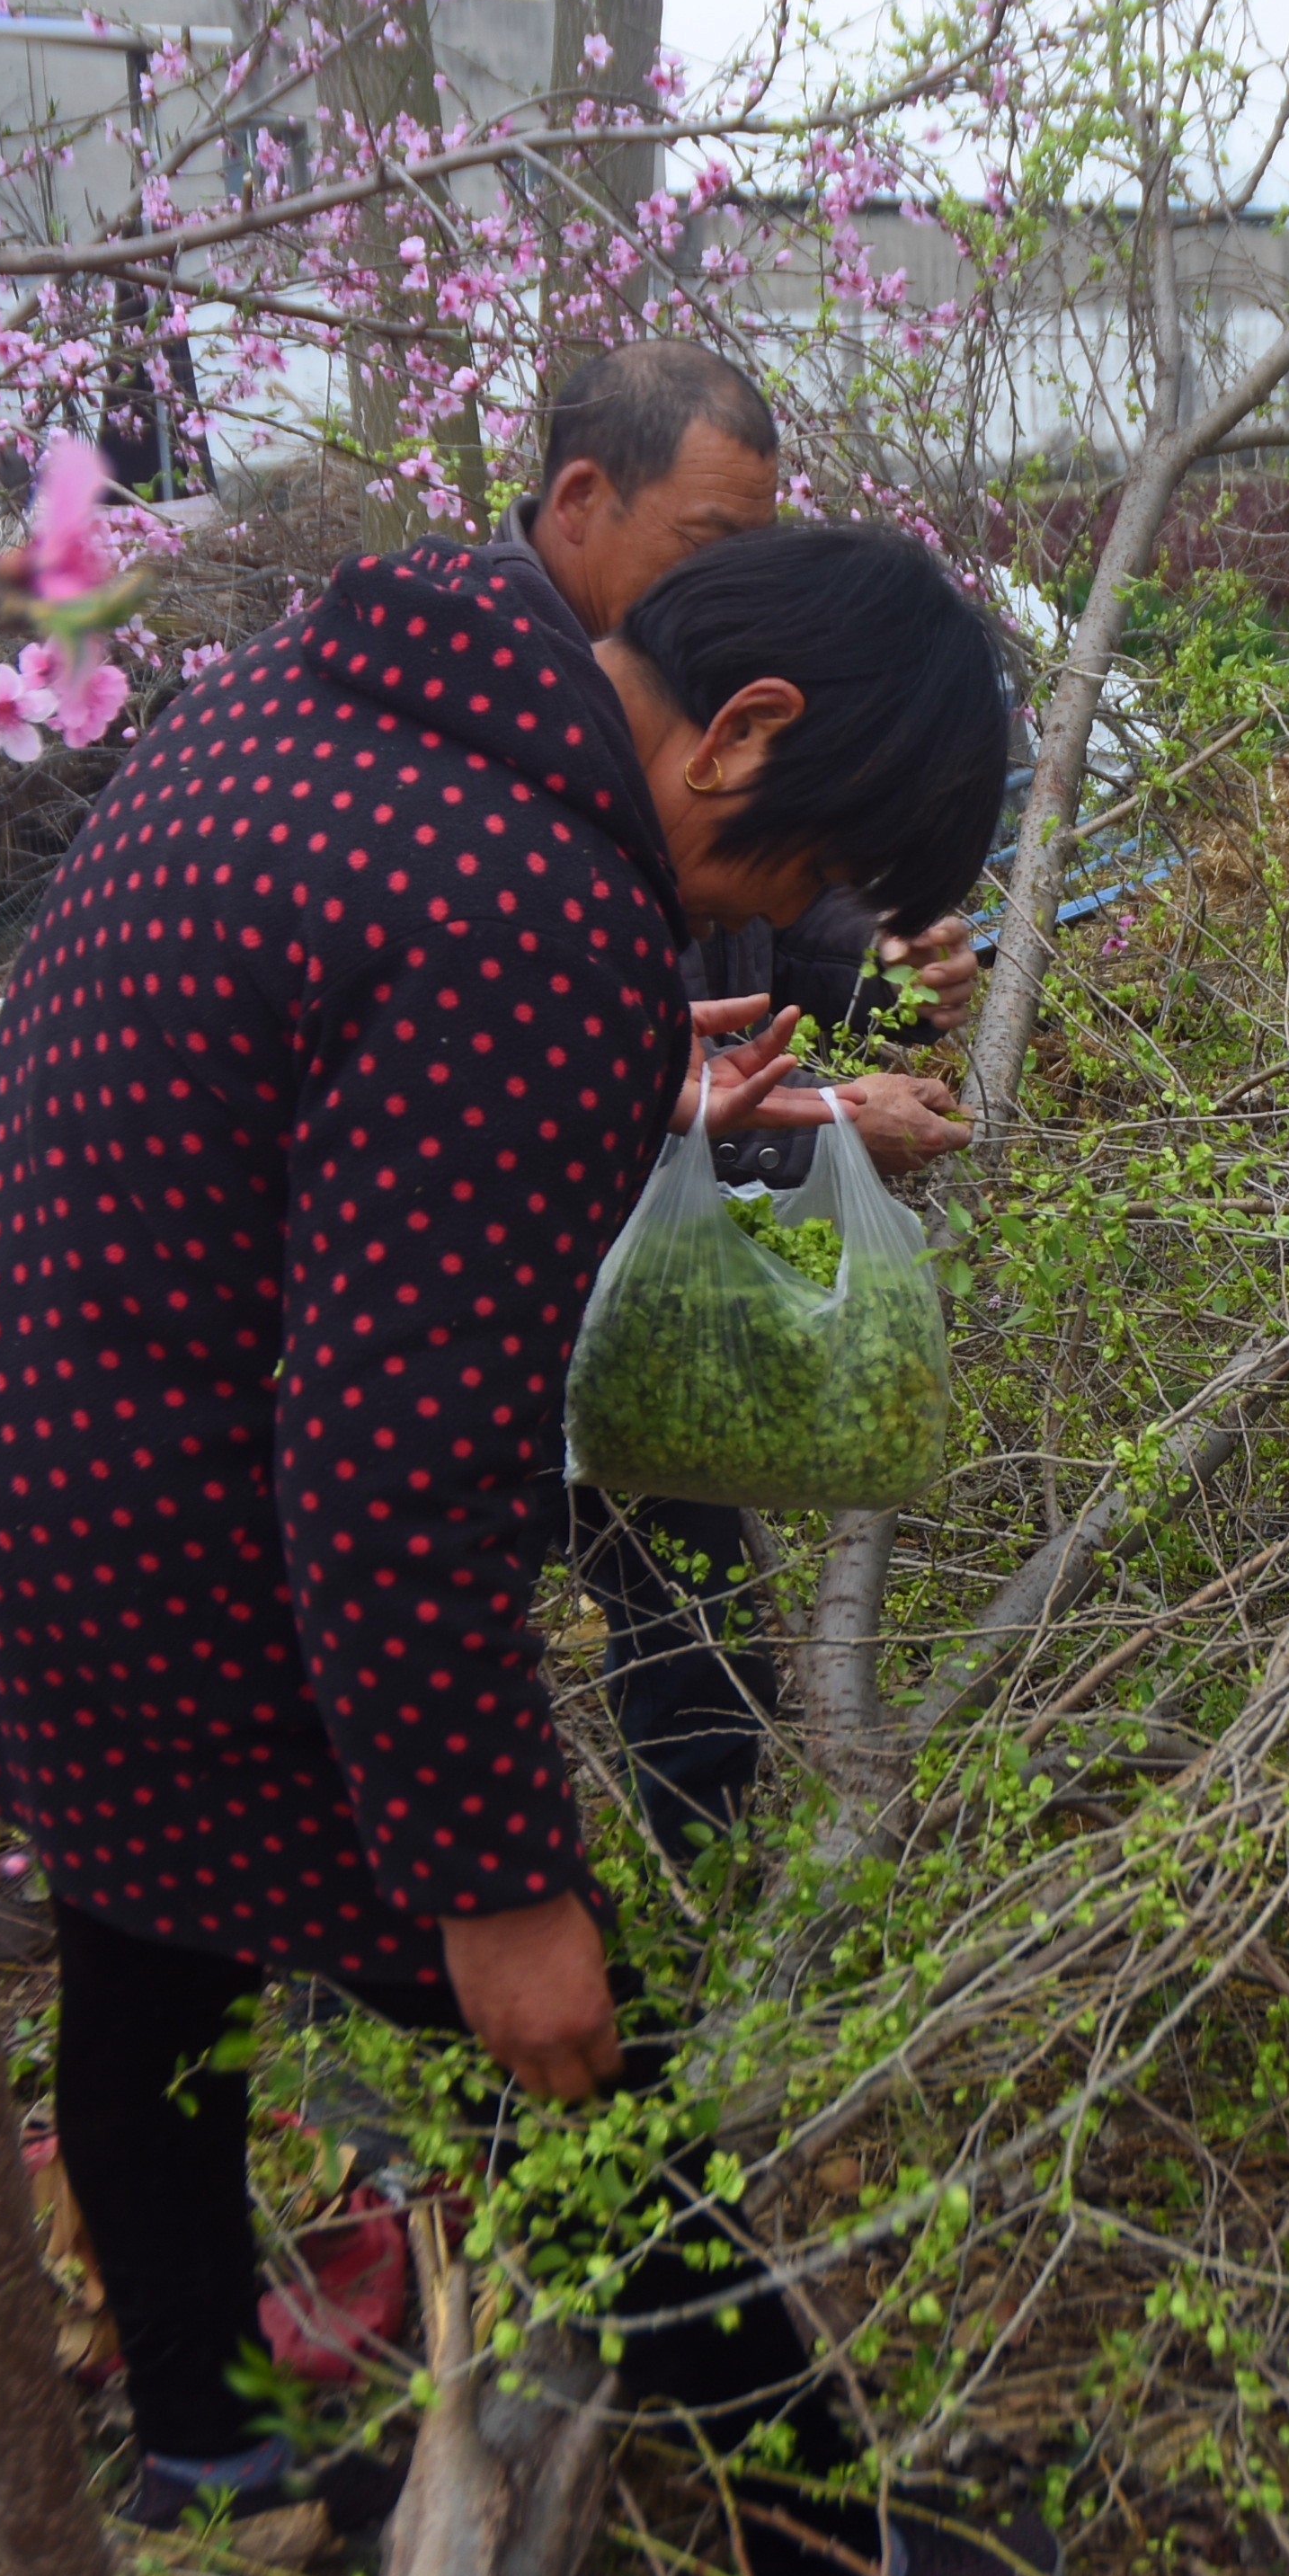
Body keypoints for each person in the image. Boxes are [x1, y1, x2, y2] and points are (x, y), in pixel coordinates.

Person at [0, 520, 1053, 2576]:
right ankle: (834, 2552)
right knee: (572, 2044)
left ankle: (203, 2445)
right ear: (748, 730)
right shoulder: (529, 910)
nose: (785, 924)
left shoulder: (325, 705)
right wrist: (494, 1880)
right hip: (153, 1521)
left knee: (148, 1933)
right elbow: (394, 1469)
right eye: (806, 874)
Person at [477, 337, 983, 1859]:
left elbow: (738, 932)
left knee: (692, 1622)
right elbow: (500, 1097)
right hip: (507, 1306)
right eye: (711, 545)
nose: (732, 581)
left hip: (634, 1262)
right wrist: (821, 1118)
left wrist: (882, 953)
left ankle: (693, 1906)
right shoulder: (500, 790)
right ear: (580, 498)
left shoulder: (603, 737)